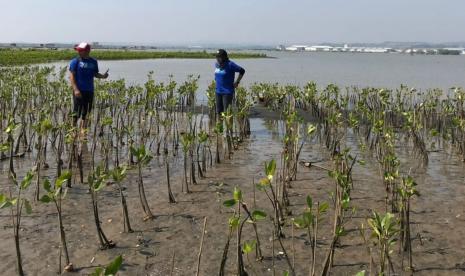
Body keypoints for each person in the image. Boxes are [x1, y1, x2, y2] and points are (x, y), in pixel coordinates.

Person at [69, 42, 109, 133]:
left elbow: (95, 74)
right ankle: (73, 131)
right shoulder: (75, 61)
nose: (78, 52)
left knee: (87, 112)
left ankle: (83, 131)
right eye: (78, 50)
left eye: (80, 50)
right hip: (78, 91)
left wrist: (103, 76)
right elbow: (71, 76)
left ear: (87, 51)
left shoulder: (93, 62)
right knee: (76, 112)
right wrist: (75, 89)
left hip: (89, 90)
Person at [214, 49, 245, 117]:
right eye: (216, 57)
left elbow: (242, 71)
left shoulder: (230, 64)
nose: (217, 59)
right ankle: (220, 127)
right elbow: (217, 76)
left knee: (227, 114)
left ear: (224, 57)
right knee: (219, 113)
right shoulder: (216, 64)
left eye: (219, 57)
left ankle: (229, 128)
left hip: (227, 92)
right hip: (218, 91)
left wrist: (237, 82)